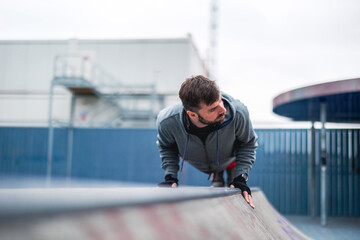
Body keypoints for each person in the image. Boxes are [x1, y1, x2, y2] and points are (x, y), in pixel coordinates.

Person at [156, 75, 257, 208]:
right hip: (199, 159)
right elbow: (166, 147)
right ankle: (217, 175)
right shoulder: (168, 121)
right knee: (217, 181)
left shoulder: (238, 113)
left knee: (234, 185)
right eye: (213, 109)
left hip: (229, 157)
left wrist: (241, 177)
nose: (223, 109)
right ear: (192, 114)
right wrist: (170, 177)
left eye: (220, 101)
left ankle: (227, 175)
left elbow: (247, 143)